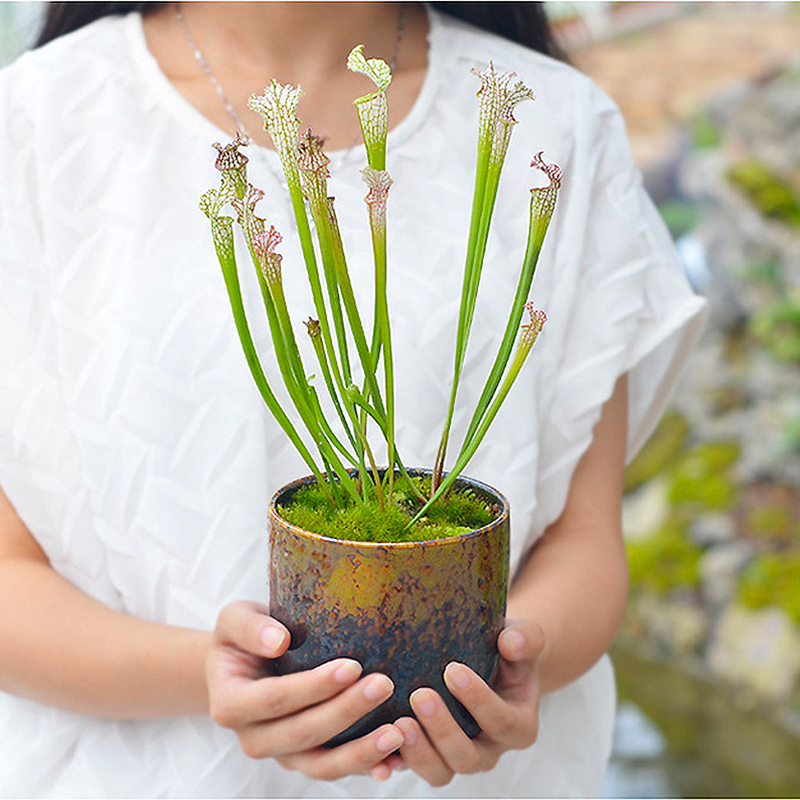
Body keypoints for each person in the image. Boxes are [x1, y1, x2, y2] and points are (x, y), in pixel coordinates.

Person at [0, 2, 706, 797]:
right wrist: (209, 673)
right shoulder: (32, 127)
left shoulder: (559, 118)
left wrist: (510, 665)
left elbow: (584, 537)